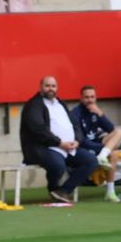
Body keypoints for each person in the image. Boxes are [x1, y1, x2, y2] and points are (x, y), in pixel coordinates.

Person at [19, 75, 98, 204]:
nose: (51, 89)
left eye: (53, 86)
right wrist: (60, 143)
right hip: (43, 148)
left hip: (68, 148)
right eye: (47, 86)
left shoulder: (61, 103)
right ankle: (53, 187)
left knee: (91, 161)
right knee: (58, 165)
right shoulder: (34, 105)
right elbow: (39, 130)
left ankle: (63, 191)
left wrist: (77, 141)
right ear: (41, 87)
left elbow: (75, 125)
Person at [73, 84, 121, 201]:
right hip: (84, 147)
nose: (90, 100)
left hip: (99, 145)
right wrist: (101, 147)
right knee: (114, 153)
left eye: (92, 97)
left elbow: (111, 129)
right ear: (81, 98)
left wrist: (100, 114)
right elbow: (81, 140)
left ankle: (110, 192)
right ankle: (110, 191)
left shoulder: (95, 111)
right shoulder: (75, 114)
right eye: (86, 97)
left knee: (119, 131)